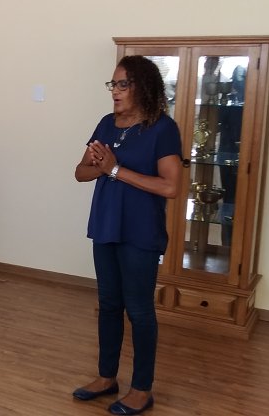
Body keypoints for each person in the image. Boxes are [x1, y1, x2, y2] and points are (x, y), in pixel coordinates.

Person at [73, 55, 182, 415]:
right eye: (113, 85)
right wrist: (98, 165)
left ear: (142, 87)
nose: (115, 92)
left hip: (140, 232)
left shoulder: (162, 128)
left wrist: (115, 169)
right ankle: (106, 377)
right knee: (108, 306)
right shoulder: (107, 124)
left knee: (139, 311)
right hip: (106, 226)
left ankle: (141, 389)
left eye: (122, 84)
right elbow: (80, 173)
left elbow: (170, 187)